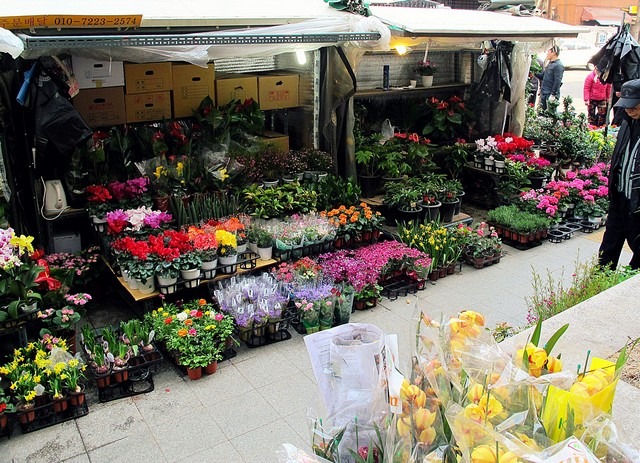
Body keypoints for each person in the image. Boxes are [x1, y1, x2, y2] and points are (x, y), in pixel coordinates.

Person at [598, 79, 640, 270]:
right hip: (620, 198)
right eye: (626, 106)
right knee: (607, 251)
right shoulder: (626, 122)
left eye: (634, 106)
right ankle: (599, 286)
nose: (629, 110)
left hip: (638, 205)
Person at [535, 45, 564, 111]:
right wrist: (534, 71)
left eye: (548, 51)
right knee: (542, 113)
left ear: (553, 53)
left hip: (549, 94)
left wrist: (553, 94)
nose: (547, 53)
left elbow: (557, 81)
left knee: (549, 115)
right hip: (544, 92)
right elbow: (543, 76)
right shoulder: (550, 64)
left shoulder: (558, 65)